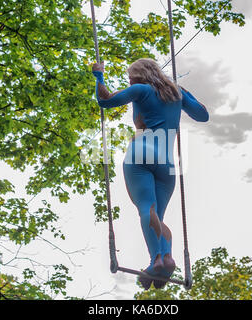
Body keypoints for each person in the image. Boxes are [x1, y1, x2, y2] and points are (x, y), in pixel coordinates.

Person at [91, 58, 209, 290]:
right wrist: (183, 92)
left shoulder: (141, 89)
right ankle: (165, 258)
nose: (129, 81)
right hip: (167, 163)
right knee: (157, 217)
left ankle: (157, 259)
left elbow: (105, 101)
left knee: (147, 209)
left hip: (141, 152)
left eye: (130, 77)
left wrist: (99, 76)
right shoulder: (177, 93)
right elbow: (203, 115)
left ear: (139, 76)